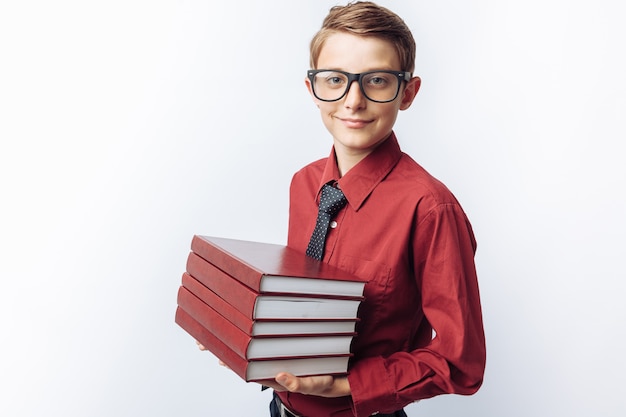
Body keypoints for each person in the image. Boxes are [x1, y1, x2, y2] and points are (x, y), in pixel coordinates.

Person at [201, 2, 486, 416]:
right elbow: (300, 304)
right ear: (312, 88)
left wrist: (344, 386)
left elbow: (461, 363)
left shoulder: (431, 209)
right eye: (335, 79)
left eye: (376, 80)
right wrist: (229, 330)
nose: (353, 101)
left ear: (407, 93)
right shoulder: (304, 183)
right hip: (281, 408)